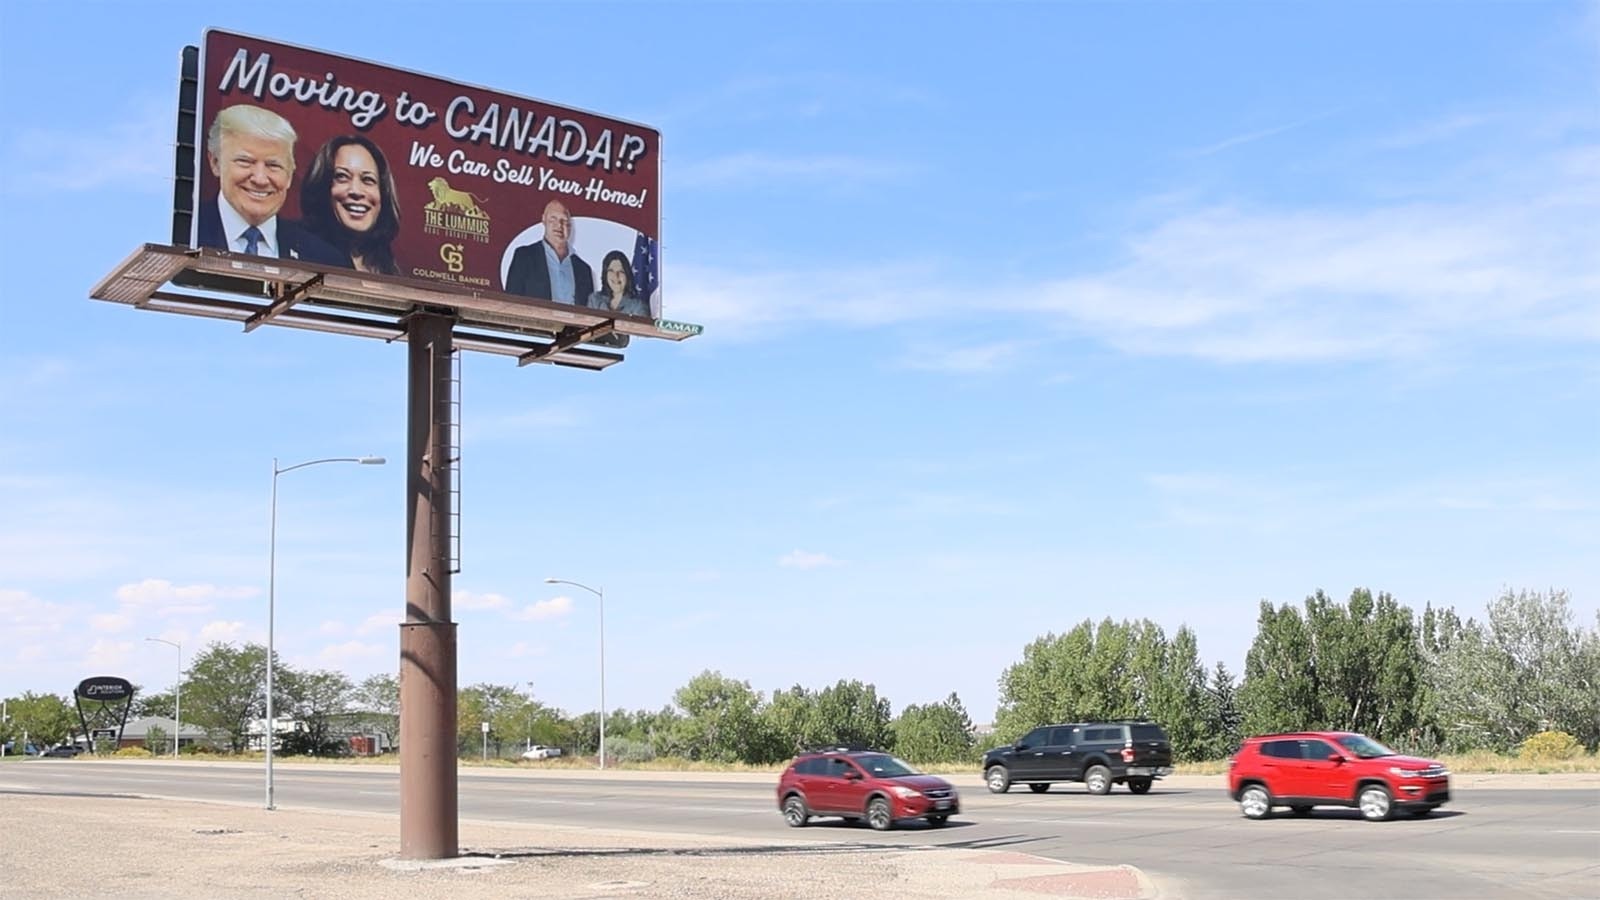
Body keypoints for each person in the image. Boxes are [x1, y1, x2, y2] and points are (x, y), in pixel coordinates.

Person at [195, 105, 346, 266]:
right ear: (215, 163)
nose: (260, 179)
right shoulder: (185, 232)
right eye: (245, 162)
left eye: (273, 165)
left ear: (289, 175)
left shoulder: (323, 258)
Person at [298, 135, 402, 275]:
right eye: (342, 177)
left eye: (368, 179)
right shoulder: (297, 248)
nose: (356, 191)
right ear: (322, 186)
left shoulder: (389, 267)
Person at [505, 199, 594, 304]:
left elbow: (588, 312)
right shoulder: (525, 256)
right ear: (543, 220)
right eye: (553, 219)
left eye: (564, 221)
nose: (559, 226)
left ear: (570, 227)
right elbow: (511, 302)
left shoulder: (584, 269)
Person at [585, 250, 650, 317]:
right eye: (611, 271)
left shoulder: (638, 307)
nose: (616, 276)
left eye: (621, 271)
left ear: (627, 275)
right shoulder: (594, 300)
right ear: (605, 274)